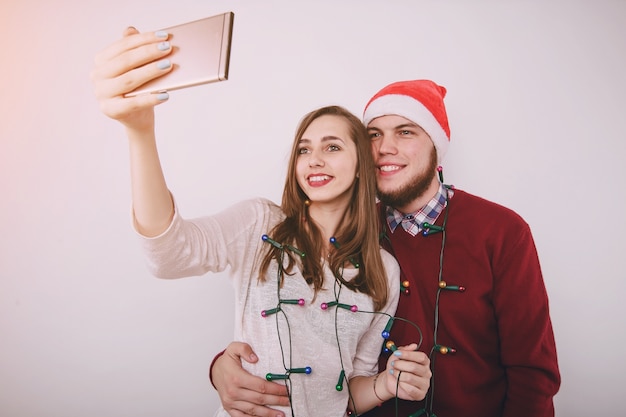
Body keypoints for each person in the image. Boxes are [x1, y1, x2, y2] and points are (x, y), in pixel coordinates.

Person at [90, 27, 432, 417]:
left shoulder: (383, 270)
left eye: (332, 147)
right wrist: (140, 132)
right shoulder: (260, 224)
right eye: (305, 149)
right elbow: (168, 255)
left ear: (361, 168)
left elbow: (349, 393)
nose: (314, 159)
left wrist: (386, 384)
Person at [210, 79, 561, 417]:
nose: (384, 148)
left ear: (436, 147)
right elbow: (298, 325)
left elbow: (532, 372)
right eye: (373, 135)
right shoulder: (346, 231)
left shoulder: (501, 231)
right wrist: (221, 367)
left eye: (405, 131)